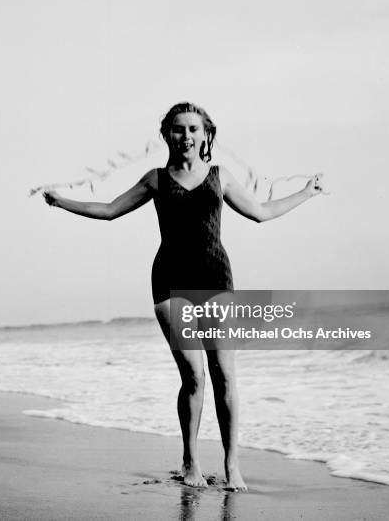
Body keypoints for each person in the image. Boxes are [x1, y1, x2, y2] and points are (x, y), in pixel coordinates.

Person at [43, 102, 323, 491]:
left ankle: (231, 465)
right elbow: (109, 210)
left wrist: (305, 194)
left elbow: (261, 212)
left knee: (225, 376)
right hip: (170, 282)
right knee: (193, 374)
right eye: (178, 129)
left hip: (216, 280)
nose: (186, 136)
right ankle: (191, 462)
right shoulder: (156, 179)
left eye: (193, 129)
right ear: (166, 135)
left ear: (207, 135)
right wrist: (61, 202)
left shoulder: (220, 177)